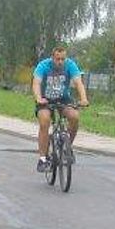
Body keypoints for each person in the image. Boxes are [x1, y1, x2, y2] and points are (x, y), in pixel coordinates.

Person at [32, 44, 88, 172]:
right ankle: (42, 159)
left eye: (63, 59)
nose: (60, 62)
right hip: (45, 99)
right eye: (57, 59)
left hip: (63, 99)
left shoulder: (70, 65)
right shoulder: (43, 66)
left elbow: (78, 82)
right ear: (52, 57)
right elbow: (36, 83)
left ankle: (67, 148)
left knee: (74, 117)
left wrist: (83, 99)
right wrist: (38, 98)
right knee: (45, 121)